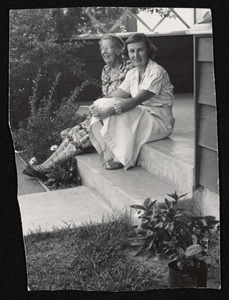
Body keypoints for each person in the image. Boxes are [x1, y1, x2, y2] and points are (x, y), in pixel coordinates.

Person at [23, 34, 133, 178]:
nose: (104, 52)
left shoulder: (130, 68)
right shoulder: (105, 70)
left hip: (119, 116)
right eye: (101, 48)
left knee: (80, 135)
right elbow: (106, 97)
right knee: (72, 132)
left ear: (119, 50)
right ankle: (45, 165)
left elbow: (126, 97)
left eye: (108, 48)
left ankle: (47, 167)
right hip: (104, 114)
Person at [89, 33, 175, 170]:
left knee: (115, 109)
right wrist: (95, 105)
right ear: (127, 53)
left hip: (160, 121)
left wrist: (108, 111)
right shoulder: (132, 73)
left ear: (148, 50)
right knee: (102, 103)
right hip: (144, 116)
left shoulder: (156, 71)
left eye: (140, 50)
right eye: (132, 51)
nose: (136, 55)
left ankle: (124, 157)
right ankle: (111, 151)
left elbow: (136, 100)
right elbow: (113, 96)